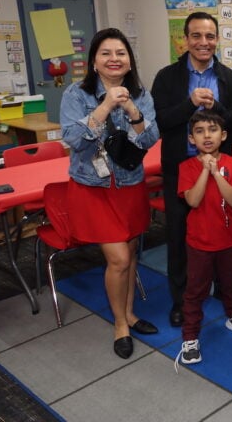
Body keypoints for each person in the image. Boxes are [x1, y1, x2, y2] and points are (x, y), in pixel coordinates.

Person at [60, 28, 159, 359]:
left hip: (129, 185)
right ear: (93, 61)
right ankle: (119, 324)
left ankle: (130, 313)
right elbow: (75, 140)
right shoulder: (76, 94)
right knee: (117, 259)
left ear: (129, 61)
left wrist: (133, 111)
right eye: (106, 53)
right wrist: (104, 107)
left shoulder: (141, 94)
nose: (114, 59)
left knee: (130, 254)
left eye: (120, 53)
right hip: (94, 188)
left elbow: (148, 141)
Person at [152, 12, 232, 328]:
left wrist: (215, 108)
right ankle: (181, 301)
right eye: (196, 36)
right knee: (179, 236)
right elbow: (160, 122)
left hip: (221, 170)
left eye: (209, 36)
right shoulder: (167, 78)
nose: (203, 42)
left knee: (222, 228)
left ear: (217, 39)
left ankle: (221, 289)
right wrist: (190, 103)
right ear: (185, 40)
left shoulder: (229, 78)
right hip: (181, 169)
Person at [176, 111, 232, 369]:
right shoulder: (186, 167)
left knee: (230, 283)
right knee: (195, 290)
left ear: (224, 135)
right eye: (199, 131)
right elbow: (193, 200)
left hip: (229, 240)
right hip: (199, 242)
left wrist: (217, 173)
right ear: (191, 138)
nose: (206, 135)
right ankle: (190, 336)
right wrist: (204, 171)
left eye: (212, 130)